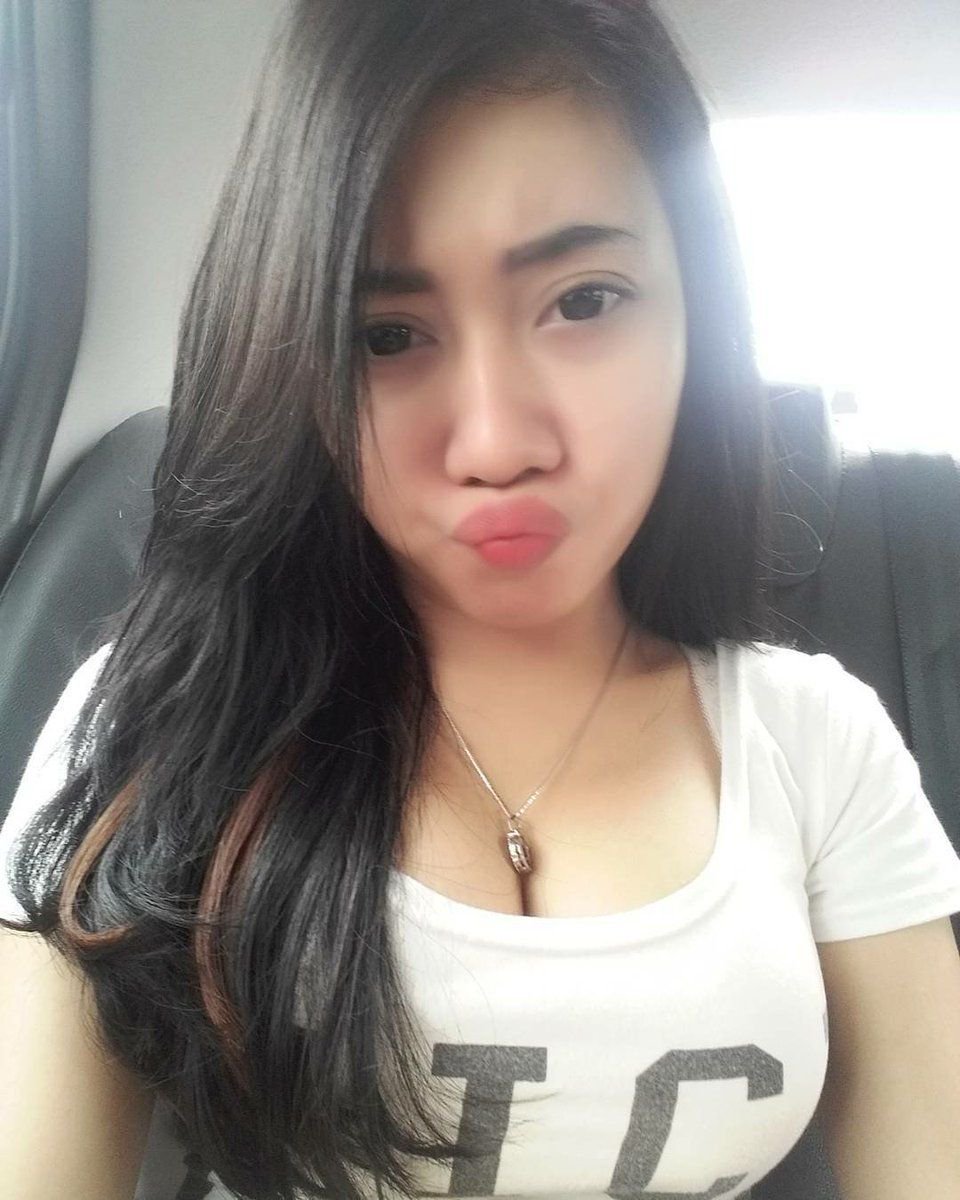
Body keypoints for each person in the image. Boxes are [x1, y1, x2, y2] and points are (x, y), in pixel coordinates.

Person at [3, 2, 960, 1198]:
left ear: (696, 317)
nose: (499, 443)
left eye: (585, 300)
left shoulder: (818, 744)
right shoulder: (154, 727)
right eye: (386, 334)